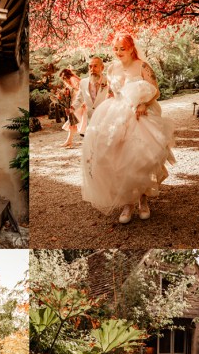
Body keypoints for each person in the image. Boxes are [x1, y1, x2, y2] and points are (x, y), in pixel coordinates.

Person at [81, 32, 175, 224]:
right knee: (116, 158)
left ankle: (143, 200)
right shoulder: (112, 69)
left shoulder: (143, 66)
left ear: (131, 47)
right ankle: (127, 202)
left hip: (140, 116)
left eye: (122, 48)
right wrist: (104, 117)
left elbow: (155, 91)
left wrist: (144, 105)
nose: (118, 52)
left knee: (139, 158)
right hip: (117, 115)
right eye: (115, 49)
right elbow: (110, 93)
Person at [77, 57, 109, 135]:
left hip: (107, 121)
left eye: (95, 66)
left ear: (102, 67)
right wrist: (71, 108)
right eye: (90, 66)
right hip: (90, 122)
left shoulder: (109, 81)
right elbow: (79, 99)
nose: (92, 69)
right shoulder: (83, 82)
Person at [57, 68, 82, 147]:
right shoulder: (71, 80)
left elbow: (80, 91)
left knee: (74, 122)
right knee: (73, 122)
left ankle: (69, 141)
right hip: (75, 103)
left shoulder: (73, 79)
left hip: (78, 104)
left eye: (63, 77)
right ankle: (69, 141)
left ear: (65, 75)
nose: (63, 80)